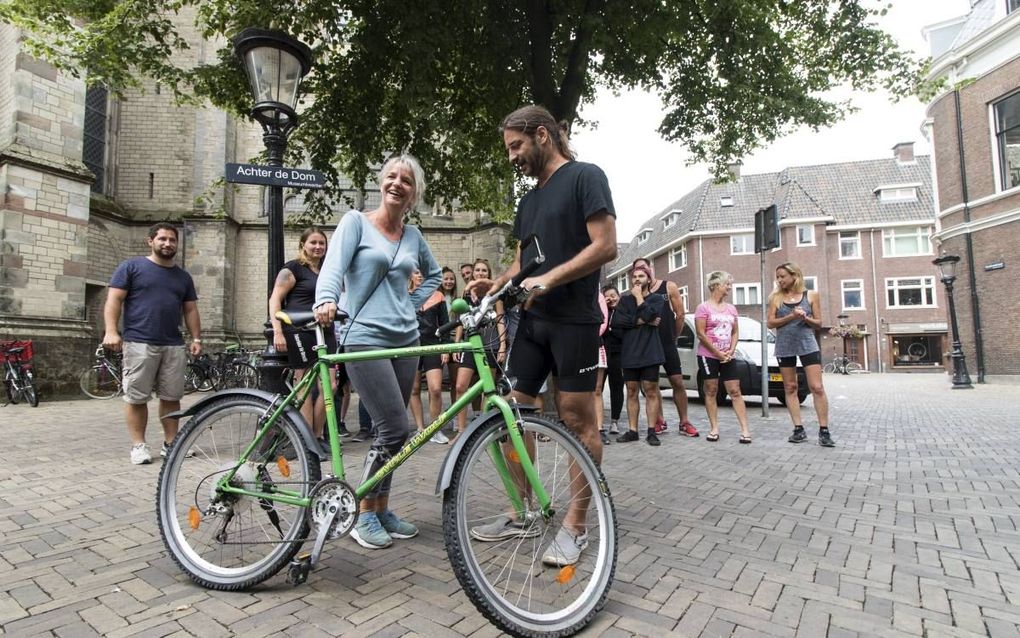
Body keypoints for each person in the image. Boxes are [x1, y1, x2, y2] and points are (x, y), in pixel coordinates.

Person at [468, 104, 617, 567]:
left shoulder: (586, 176)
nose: (512, 156)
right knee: (508, 412)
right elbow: (523, 260)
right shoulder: (528, 201)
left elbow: (605, 245)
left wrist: (552, 278)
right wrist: (495, 284)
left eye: (516, 146)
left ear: (542, 136)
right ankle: (526, 510)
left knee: (577, 420)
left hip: (573, 319)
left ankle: (576, 525)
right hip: (531, 321)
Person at [314, 154, 442, 550]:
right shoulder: (355, 222)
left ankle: (381, 505)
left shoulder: (413, 236)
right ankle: (362, 512)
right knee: (394, 427)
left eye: (406, 180)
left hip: (406, 340)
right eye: (391, 176)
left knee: (393, 431)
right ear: (380, 182)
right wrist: (326, 299)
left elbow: (435, 275)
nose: (397, 183)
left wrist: (411, 302)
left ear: (413, 192)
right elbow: (333, 266)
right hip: (364, 335)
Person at [103, 222, 202, 465]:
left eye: (172, 240)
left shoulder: (183, 277)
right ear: (151, 241)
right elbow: (114, 300)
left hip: (173, 344)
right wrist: (111, 331)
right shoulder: (131, 267)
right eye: (163, 239)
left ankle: (171, 445)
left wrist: (196, 338)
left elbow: (190, 310)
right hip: (139, 342)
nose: (168, 243)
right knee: (137, 397)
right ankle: (139, 446)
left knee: (171, 397)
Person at [268, 227, 350, 443]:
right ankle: (308, 440)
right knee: (303, 385)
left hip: (325, 331)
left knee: (330, 385)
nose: (318, 247)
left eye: (321, 243)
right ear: (303, 245)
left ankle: (317, 434)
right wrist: (277, 331)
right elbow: (275, 299)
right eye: (313, 242)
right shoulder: (293, 269)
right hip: (299, 330)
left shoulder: (327, 271)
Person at [767, 262, 834, 447]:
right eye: (778, 277)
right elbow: (770, 323)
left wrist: (805, 318)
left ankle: (824, 430)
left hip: (807, 345)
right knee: (790, 387)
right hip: (784, 346)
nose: (779, 280)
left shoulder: (810, 295)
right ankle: (798, 429)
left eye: (783, 276)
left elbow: (819, 324)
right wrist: (791, 317)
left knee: (817, 387)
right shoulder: (775, 298)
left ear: (794, 276)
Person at [632, 257, 698, 438]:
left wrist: (674, 336)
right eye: (637, 270)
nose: (640, 272)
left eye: (643, 268)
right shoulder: (635, 294)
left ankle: (684, 421)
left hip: (667, 343)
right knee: (651, 385)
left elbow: (680, 314)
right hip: (648, 346)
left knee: (677, 381)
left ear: (650, 269)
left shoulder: (668, 287)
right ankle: (659, 420)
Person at [695, 271, 752, 444]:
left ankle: (745, 430)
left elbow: (735, 332)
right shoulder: (703, 308)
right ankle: (714, 428)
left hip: (728, 356)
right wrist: (718, 353)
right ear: (715, 285)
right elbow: (701, 334)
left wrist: (731, 350)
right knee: (711, 390)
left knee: (735, 390)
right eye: (726, 284)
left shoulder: (731, 309)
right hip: (708, 356)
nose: (729, 287)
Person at [612, 264, 665, 446]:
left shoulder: (657, 299)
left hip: (651, 351)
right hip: (630, 352)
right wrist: (641, 320)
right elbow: (617, 322)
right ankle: (633, 431)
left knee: (651, 390)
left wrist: (639, 298)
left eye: (641, 276)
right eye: (634, 276)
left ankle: (651, 431)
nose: (636, 279)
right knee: (632, 391)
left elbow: (653, 315)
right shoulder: (624, 301)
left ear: (648, 279)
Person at [453, 259, 507, 435]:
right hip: (470, 343)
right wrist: (457, 344)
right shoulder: (466, 292)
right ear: (473, 273)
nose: (481, 273)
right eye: (478, 270)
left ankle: (485, 432)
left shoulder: (494, 293)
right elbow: (461, 319)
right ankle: (461, 431)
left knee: (487, 389)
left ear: (488, 274)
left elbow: (501, 319)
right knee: (461, 386)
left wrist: (502, 346)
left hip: (490, 342)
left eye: (484, 270)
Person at [408, 268, 450, 444]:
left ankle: (435, 428)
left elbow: (445, 323)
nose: (420, 275)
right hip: (411, 346)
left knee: (435, 389)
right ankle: (420, 428)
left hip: (433, 345)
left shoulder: (438, 295)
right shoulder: (403, 296)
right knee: (414, 389)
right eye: (416, 272)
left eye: (422, 272)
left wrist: (446, 348)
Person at [600, 285, 624, 438]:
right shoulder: (603, 312)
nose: (611, 299)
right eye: (607, 297)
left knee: (617, 387)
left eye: (613, 295)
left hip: (618, 354)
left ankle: (615, 420)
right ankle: (598, 420)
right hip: (603, 353)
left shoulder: (624, 311)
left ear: (619, 295)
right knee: (598, 388)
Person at [439, 266, 460, 409]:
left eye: (451, 279)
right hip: (439, 341)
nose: (449, 281)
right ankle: (438, 417)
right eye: (446, 278)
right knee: (437, 384)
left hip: (453, 341)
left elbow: (460, 323)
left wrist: (457, 343)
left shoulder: (457, 300)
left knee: (455, 382)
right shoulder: (435, 298)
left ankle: (454, 414)